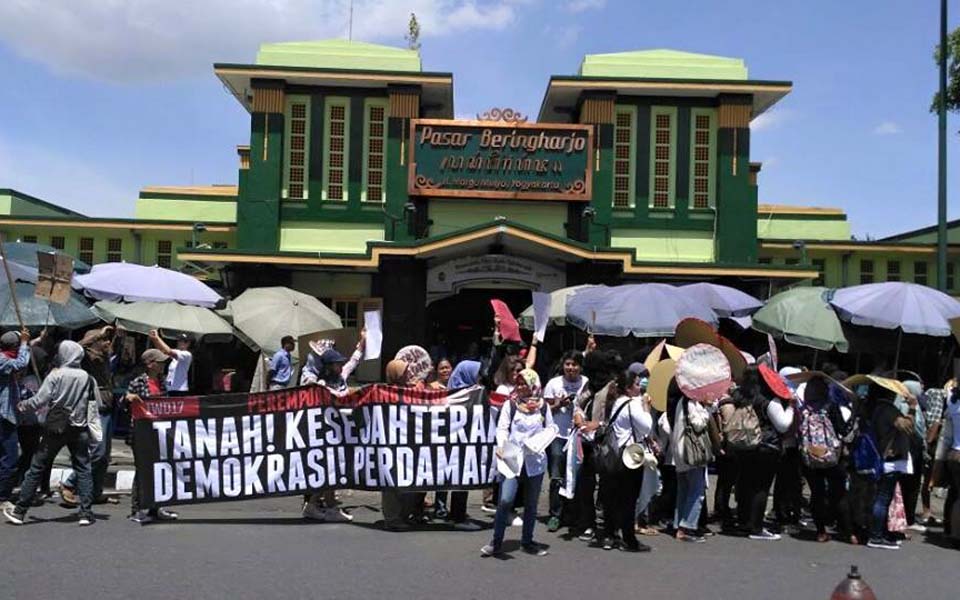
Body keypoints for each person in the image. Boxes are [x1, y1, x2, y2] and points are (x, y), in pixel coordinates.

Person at [3, 341, 99, 526]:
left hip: (55, 428)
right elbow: (97, 403)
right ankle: (86, 513)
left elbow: (41, 399)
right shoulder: (88, 377)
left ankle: (20, 511)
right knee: (83, 469)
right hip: (79, 428)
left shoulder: (56, 375)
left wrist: (23, 405)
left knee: (36, 467)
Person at [481, 369, 553, 557]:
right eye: (518, 383)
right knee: (505, 500)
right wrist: (502, 445)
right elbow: (503, 428)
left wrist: (539, 442)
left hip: (535, 462)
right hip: (513, 459)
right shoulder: (510, 405)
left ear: (533, 385)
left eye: (524, 384)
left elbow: (551, 429)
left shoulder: (543, 407)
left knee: (531, 504)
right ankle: (496, 542)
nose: (521, 387)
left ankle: (527, 541)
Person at [300, 332, 365, 522]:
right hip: (327, 433)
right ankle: (327, 508)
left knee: (332, 471)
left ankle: (315, 506)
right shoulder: (319, 385)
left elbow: (353, 362)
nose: (340, 366)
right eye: (336, 364)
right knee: (331, 470)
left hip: (341, 432)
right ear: (328, 366)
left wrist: (362, 343)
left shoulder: (341, 378)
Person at [62, 325, 122, 506]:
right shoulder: (84, 357)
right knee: (97, 452)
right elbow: (75, 347)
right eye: (103, 340)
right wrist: (97, 334)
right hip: (92, 407)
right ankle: (69, 484)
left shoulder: (105, 358)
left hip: (107, 406)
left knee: (104, 456)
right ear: (93, 343)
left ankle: (96, 492)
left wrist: (116, 336)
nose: (107, 343)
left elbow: (114, 350)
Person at [734, 365, 794, 541]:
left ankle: (743, 522)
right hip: (766, 447)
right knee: (761, 488)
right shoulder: (768, 400)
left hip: (743, 445)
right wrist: (790, 408)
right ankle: (756, 527)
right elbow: (783, 424)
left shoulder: (739, 396)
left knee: (745, 484)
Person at [598, 369, 653, 552]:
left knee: (612, 498)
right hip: (628, 457)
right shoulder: (632, 404)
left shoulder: (616, 402)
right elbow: (646, 426)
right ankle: (629, 539)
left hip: (612, 456)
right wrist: (646, 406)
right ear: (629, 388)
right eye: (637, 384)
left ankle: (609, 535)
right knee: (628, 500)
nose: (640, 388)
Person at [799, 374, 854, 543]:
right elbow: (843, 430)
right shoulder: (831, 406)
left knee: (817, 493)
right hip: (831, 456)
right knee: (839, 493)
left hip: (810, 456)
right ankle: (849, 532)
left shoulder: (803, 409)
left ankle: (821, 531)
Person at [128, 348, 180, 524]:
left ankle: (155, 507)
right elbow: (124, 402)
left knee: (159, 468)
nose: (163, 365)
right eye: (160, 362)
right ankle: (136, 509)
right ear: (150, 364)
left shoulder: (163, 381)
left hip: (159, 432)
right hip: (141, 433)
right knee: (142, 470)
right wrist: (129, 397)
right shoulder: (137, 382)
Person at [431, 360, 482, 530]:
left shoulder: (472, 392)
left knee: (460, 475)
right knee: (452, 474)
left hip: (461, 441)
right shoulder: (451, 394)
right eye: (475, 374)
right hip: (451, 441)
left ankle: (456, 512)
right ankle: (448, 512)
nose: (479, 378)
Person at [542, 350, 589, 532]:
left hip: (578, 435)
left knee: (576, 476)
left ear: (580, 367)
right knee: (556, 475)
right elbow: (543, 410)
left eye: (575, 365)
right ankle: (555, 514)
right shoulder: (554, 383)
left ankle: (573, 514)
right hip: (558, 435)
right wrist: (559, 404)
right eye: (568, 364)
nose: (571, 368)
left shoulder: (586, 383)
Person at [866, 380, 916, 550]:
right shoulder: (887, 409)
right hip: (889, 459)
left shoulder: (872, 407)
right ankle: (876, 536)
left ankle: (878, 532)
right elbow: (907, 427)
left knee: (881, 497)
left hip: (879, 457)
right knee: (883, 498)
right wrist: (913, 408)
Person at [0, 329, 31, 509]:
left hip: (8, 413)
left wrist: (33, 340)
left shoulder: (5, 357)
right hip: (4, 415)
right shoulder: (3, 360)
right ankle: (3, 496)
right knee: (9, 458)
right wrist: (25, 343)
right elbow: (20, 363)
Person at [149, 330, 192, 395]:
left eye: (185, 341)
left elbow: (168, 351)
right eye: (180, 340)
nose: (182, 343)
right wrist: (154, 339)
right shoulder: (176, 353)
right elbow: (163, 350)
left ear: (189, 343)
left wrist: (157, 338)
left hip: (179, 390)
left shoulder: (187, 354)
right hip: (170, 389)